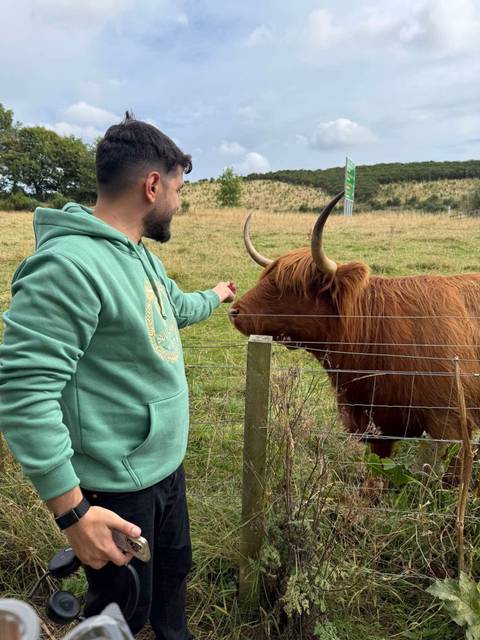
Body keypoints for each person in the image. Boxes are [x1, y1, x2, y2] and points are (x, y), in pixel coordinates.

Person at [0, 113, 236, 640]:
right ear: (153, 185)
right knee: (121, 607)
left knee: (172, 576)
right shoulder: (68, 265)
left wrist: (217, 296)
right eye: (179, 188)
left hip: (164, 470)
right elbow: (23, 394)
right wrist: (73, 512)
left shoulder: (138, 255)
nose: (179, 201)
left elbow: (172, 306)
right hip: (115, 488)